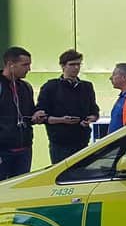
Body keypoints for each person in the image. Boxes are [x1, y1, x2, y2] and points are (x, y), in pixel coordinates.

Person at [35, 48, 100, 163]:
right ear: (63, 66)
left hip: (82, 140)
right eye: (72, 64)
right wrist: (61, 120)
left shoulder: (87, 87)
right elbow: (41, 115)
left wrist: (91, 118)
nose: (76, 68)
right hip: (60, 143)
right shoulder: (51, 87)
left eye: (78, 64)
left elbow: (94, 109)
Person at [0, 46, 46, 178]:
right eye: (25, 65)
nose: (29, 69)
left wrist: (37, 115)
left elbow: (30, 112)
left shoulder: (26, 87)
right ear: (10, 64)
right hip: (4, 150)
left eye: (29, 65)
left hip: (24, 149)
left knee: (20, 190)